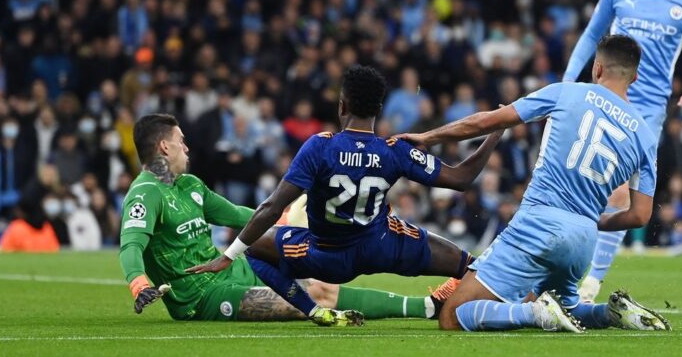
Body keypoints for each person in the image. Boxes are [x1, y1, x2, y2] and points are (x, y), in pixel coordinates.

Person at [395, 35, 670, 332]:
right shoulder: (645, 137)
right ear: (635, 77)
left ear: (598, 68)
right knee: (569, 307)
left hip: (539, 223)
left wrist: (427, 137)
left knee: (452, 316)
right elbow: (640, 215)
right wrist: (595, 220)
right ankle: (609, 313)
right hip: (584, 239)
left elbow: (487, 121)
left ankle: (534, 313)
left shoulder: (566, 93)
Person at [186, 65, 503, 318]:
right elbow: (462, 177)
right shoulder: (394, 150)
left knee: (254, 248)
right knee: (472, 266)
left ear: (342, 105)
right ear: (379, 109)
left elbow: (271, 207)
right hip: (383, 246)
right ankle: (495, 306)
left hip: (324, 255)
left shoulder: (320, 146)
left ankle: (312, 310)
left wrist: (228, 255)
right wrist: (495, 131)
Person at [120, 112, 451, 325]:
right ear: (164, 147)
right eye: (181, 142)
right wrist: (139, 283)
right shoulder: (146, 193)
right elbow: (131, 244)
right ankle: (424, 307)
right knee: (314, 297)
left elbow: (237, 215)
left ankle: (426, 306)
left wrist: (283, 224)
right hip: (201, 296)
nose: (187, 148)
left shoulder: (190, 186)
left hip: (233, 270)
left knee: (321, 278)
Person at [563, 0, 682, 301]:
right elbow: (591, 35)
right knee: (579, 183)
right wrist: (568, 81)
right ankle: (559, 270)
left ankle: (590, 284)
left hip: (646, 113)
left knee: (620, 193)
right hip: (602, 101)